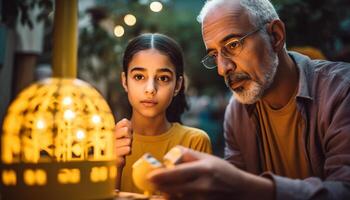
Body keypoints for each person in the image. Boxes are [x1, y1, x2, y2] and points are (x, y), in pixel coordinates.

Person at [147, 0, 350, 199]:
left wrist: (244, 186)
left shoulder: (341, 91)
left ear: (275, 36)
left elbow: (344, 190)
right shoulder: (237, 111)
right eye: (214, 55)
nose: (222, 68)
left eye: (233, 45)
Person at [115, 33, 212, 193]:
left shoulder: (193, 143)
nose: (150, 89)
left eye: (163, 78)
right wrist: (114, 166)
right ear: (125, 81)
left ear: (177, 85)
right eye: (139, 76)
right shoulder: (107, 143)